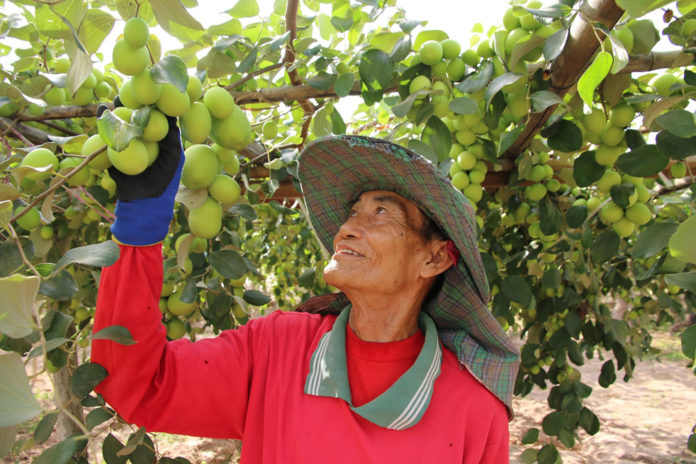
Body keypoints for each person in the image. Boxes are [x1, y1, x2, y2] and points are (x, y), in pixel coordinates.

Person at [91, 116, 520, 463]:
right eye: (353, 213)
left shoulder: (474, 411)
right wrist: (140, 225)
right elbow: (141, 385)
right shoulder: (278, 348)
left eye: (381, 213)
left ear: (436, 258)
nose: (348, 228)